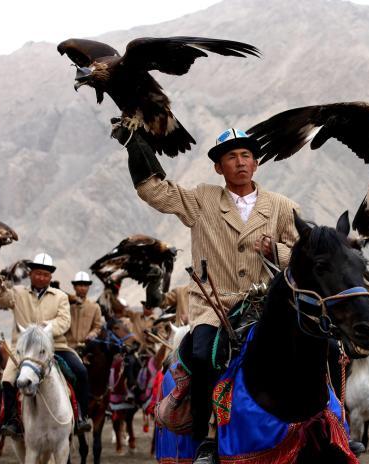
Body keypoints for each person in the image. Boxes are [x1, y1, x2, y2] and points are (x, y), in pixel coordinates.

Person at [112, 124, 298, 463]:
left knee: (321, 344)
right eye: (231, 157)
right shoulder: (202, 199)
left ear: (256, 163)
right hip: (216, 305)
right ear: (218, 167)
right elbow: (156, 192)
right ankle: (205, 437)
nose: (240, 162)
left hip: (267, 305)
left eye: (246, 155)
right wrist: (134, 144)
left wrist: (276, 251)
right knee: (201, 355)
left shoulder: (282, 207)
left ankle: (326, 424)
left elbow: (303, 255)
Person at [0, 252, 92, 438]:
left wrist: (46, 329)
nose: (41, 277)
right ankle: (12, 420)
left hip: (56, 347)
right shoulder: (17, 293)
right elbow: (0, 298)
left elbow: (64, 321)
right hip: (22, 350)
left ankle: (81, 416)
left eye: (46, 275)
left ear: (50, 277)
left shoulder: (60, 296)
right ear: (31, 274)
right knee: (7, 379)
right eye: (38, 273)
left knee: (81, 371)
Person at [66, 271, 103, 350]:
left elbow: (97, 326)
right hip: (67, 346)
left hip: (86, 347)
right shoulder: (65, 304)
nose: (82, 288)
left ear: (88, 287)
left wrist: (93, 333)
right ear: (74, 287)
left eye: (85, 285)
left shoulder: (95, 307)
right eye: (80, 285)